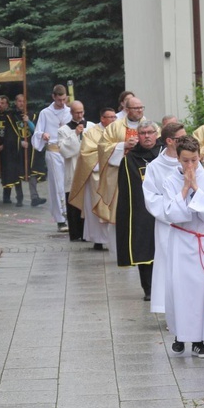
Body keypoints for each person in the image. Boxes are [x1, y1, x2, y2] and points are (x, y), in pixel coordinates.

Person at [161, 136, 204, 358]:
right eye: (185, 161)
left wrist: (196, 186)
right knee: (180, 289)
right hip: (181, 240)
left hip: (202, 241)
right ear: (177, 158)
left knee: (202, 291)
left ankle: (199, 341)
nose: (190, 166)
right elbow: (171, 213)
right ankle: (180, 335)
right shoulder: (170, 181)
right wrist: (185, 188)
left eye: (194, 160)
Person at [95, 97, 150, 260]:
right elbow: (103, 148)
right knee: (120, 211)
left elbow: (157, 146)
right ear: (126, 109)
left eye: (141, 107)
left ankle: (143, 249)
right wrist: (123, 145)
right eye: (136, 108)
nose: (140, 110)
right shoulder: (114, 127)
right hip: (120, 175)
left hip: (143, 176)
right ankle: (119, 252)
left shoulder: (150, 127)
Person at [142, 122, 188, 313]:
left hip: (189, 222)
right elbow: (151, 197)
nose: (186, 141)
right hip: (167, 224)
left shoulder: (189, 161)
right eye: (181, 139)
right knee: (169, 264)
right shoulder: (155, 167)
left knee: (187, 265)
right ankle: (170, 308)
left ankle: (188, 306)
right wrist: (171, 212)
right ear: (169, 141)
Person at [116, 120, 162, 300]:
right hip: (142, 210)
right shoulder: (130, 160)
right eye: (143, 133)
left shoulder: (165, 155)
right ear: (138, 136)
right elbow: (127, 190)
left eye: (150, 132)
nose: (147, 136)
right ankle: (149, 288)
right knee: (144, 248)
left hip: (164, 208)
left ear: (156, 134)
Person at [69, 108, 116, 250]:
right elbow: (86, 154)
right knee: (96, 208)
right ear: (102, 119)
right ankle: (98, 240)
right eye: (111, 117)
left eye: (115, 117)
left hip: (115, 175)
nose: (114, 120)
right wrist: (109, 155)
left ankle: (114, 238)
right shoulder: (92, 133)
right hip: (97, 175)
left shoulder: (118, 131)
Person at [32, 85, 72, 231]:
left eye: (64, 99)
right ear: (53, 97)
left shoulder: (70, 111)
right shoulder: (45, 113)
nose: (62, 102)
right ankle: (61, 218)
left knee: (71, 183)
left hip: (68, 152)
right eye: (59, 99)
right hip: (54, 152)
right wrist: (43, 135)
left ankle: (72, 216)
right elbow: (37, 132)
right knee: (57, 184)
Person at [59, 101, 93, 241]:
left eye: (82, 112)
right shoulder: (63, 130)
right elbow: (64, 151)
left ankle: (88, 233)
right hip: (73, 169)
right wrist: (75, 134)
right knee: (74, 202)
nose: (80, 115)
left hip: (89, 168)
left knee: (88, 202)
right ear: (71, 113)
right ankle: (76, 232)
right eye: (77, 112)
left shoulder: (91, 126)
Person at [0, 95, 28, 207]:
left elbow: (13, 134)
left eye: (2, 103)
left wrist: (4, 145)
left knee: (12, 173)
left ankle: (16, 197)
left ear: (7, 104)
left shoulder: (10, 116)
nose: (0, 105)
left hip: (10, 150)